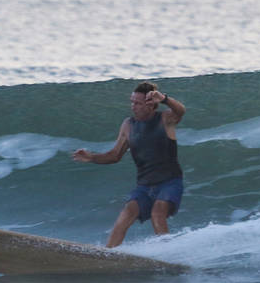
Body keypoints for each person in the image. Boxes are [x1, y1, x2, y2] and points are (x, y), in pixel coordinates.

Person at [71, 82, 186, 247]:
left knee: (157, 213)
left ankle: (170, 254)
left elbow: (180, 111)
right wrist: (92, 158)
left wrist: (164, 99)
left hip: (169, 182)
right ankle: (108, 255)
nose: (133, 107)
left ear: (151, 104)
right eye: (132, 102)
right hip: (144, 186)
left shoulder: (165, 119)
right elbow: (115, 155)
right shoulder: (128, 125)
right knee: (126, 215)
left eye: (138, 103)